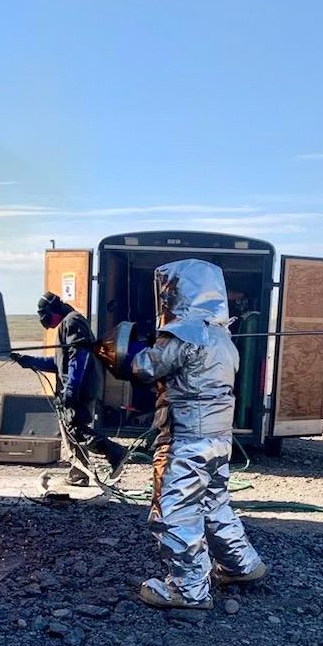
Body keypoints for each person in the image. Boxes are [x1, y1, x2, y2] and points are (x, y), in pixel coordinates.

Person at [99, 259, 266, 609]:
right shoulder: (223, 337)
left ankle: (187, 590)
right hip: (218, 440)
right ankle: (241, 565)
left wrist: (114, 350)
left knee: (175, 511)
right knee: (214, 504)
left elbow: (142, 369)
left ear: (176, 290)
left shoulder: (185, 333)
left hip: (186, 438)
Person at [11, 292, 124, 484]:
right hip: (78, 386)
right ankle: (79, 474)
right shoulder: (67, 323)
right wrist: (29, 361)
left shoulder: (72, 322)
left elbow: (79, 358)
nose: (44, 321)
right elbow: (59, 364)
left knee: (76, 429)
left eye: (45, 316)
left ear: (54, 310)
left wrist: (71, 390)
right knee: (72, 430)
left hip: (81, 388)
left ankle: (115, 453)